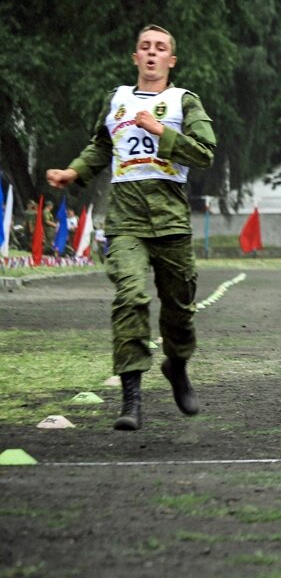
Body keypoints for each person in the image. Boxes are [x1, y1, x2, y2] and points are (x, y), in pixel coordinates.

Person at [46, 24, 216, 431]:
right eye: (145, 47)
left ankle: (177, 365)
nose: (152, 53)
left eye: (160, 48)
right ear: (135, 57)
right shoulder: (117, 100)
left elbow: (206, 152)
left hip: (172, 222)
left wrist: (162, 132)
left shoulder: (183, 102)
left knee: (179, 310)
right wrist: (74, 172)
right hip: (125, 222)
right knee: (131, 297)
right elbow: (101, 145)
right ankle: (132, 397)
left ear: (171, 60)